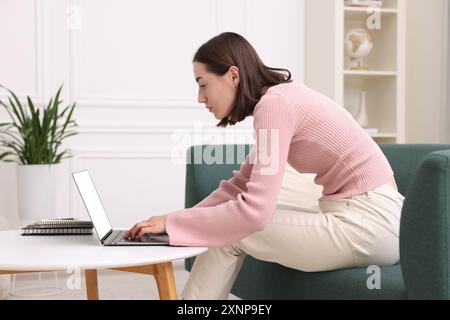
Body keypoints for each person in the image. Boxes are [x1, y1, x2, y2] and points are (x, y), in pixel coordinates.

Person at [124, 32, 405, 300]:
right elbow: (239, 186)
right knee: (230, 222)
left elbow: (254, 213)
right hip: (376, 221)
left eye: (203, 83)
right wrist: (170, 223)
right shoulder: (280, 99)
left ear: (232, 75)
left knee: (232, 232)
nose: (200, 97)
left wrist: (175, 224)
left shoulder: (274, 105)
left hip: (370, 224)